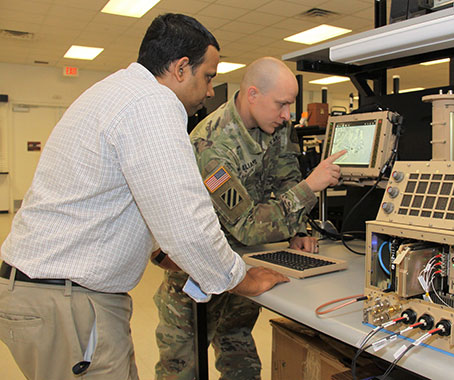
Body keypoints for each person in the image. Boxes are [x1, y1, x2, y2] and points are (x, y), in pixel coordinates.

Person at [0, 14, 288, 380]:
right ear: (181, 68)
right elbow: (188, 223)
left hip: (42, 295)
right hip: (68, 304)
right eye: (209, 76)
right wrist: (243, 278)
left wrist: (164, 254)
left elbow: (126, 200)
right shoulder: (153, 104)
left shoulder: (117, 92)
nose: (212, 90)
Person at [153, 57, 346, 380]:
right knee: (182, 370)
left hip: (245, 266)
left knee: (242, 364)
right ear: (253, 94)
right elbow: (248, 226)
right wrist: (311, 186)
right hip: (198, 275)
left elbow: (285, 176)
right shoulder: (213, 145)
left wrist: (297, 229)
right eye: (281, 104)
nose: (287, 115)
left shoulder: (276, 127)